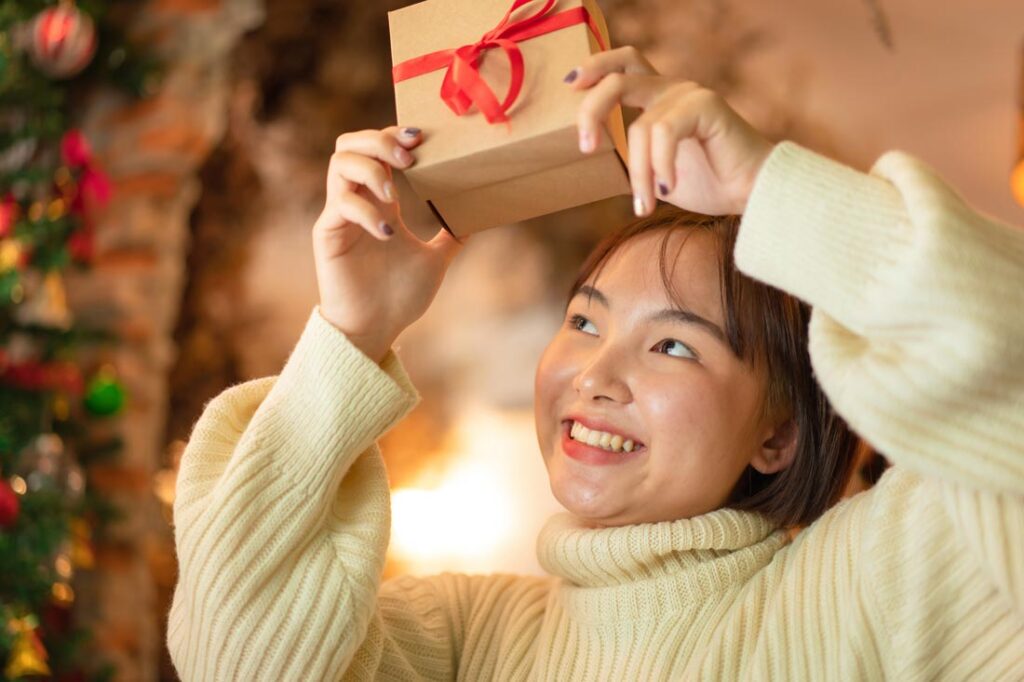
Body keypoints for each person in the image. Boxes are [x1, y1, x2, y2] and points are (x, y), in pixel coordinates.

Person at [167, 46, 1024, 680]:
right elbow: (232, 658)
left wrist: (770, 189)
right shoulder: (470, 639)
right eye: (584, 321)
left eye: (674, 344)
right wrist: (350, 333)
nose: (595, 376)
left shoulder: (868, 587)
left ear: (780, 434)